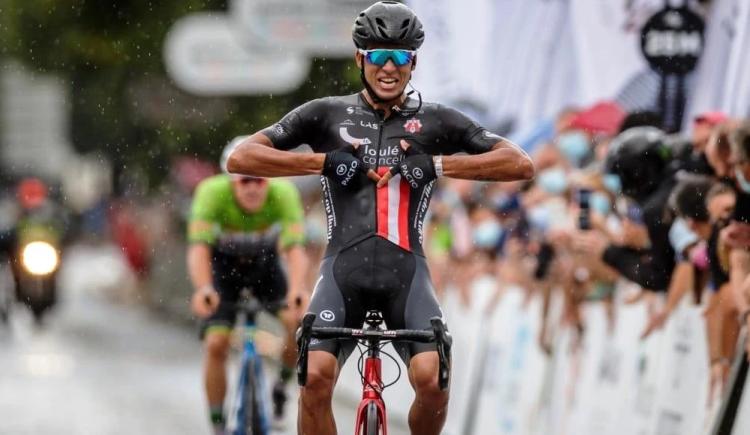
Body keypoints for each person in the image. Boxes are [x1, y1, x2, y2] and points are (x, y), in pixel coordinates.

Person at [226, 2, 534, 434]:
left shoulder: (436, 120)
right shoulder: (325, 113)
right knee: (314, 378)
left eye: (400, 57)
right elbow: (242, 157)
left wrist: (437, 165)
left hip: (406, 274)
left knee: (432, 382)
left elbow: (519, 164)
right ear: (360, 59)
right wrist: (323, 163)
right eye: (378, 56)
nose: (388, 67)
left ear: (413, 63)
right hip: (341, 272)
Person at [187, 137, 310, 435]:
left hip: (266, 270)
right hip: (223, 273)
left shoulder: (283, 193)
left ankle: (280, 385)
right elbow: (199, 249)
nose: (253, 188)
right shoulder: (211, 194)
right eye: (245, 181)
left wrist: (297, 288)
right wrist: (203, 289)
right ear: (231, 181)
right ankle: (217, 424)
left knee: (297, 326)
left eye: (260, 181)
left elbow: (295, 250)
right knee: (216, 344)